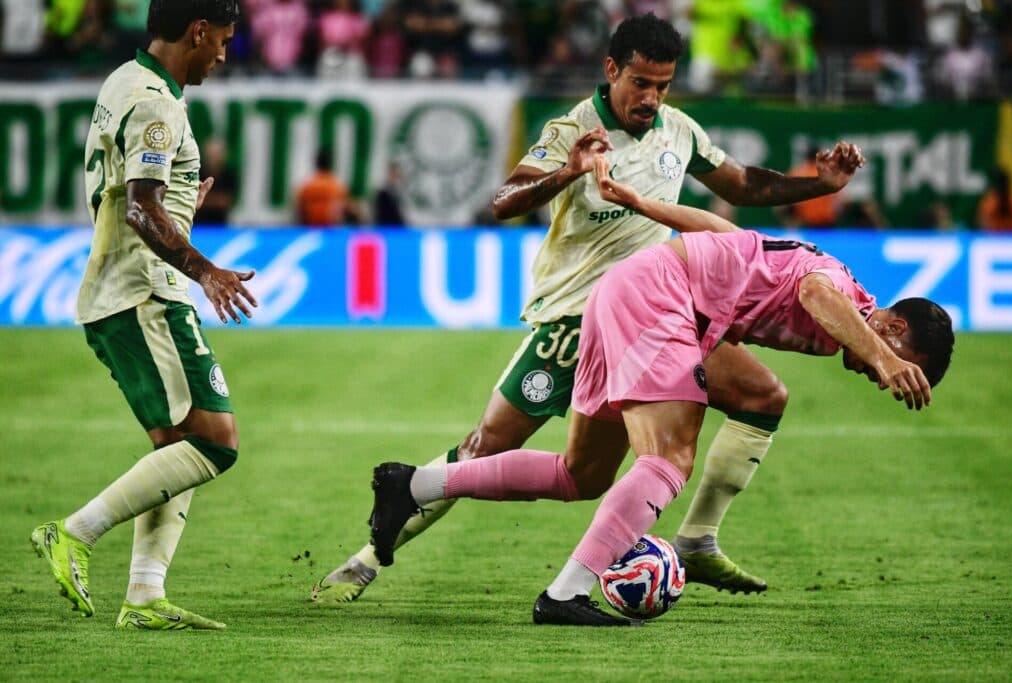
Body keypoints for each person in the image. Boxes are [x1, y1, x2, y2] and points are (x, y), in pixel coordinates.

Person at [313, 12, 864, 604]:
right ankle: (370, 554)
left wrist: (818, 184)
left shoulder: (679, 130)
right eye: (641, 83)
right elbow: (503, 201)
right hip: (574, 320)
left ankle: (697, 541)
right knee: (494, 448)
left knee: (761, 397)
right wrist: (568, 171)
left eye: (663, 85)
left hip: (661, 316)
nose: (651, 98)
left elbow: (744, 186)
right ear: (612, 70)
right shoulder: (571, 128)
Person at [367, 154, 955, 626]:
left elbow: (726, 232)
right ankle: (565, 593)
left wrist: (643, 203)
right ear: (893, 327)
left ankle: (413, 483)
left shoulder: (832, 304)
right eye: (902, 366)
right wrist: (883, 357)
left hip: (627, 295)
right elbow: (814, 298)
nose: (885, 378)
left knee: (585, 474)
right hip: (661, 299)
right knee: (670, 457)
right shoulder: (838, 293)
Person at [30, 0, 258, 631]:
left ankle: (144, 595)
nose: (222, 55)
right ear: (199, 30)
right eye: (223, 42)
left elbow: (137, 193)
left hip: (114, 292)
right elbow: (139, 208)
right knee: (216, 442)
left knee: (177, 446)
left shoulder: (122, 82)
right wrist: (207, 270)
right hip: (143, 294)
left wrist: (184, 198)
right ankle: (73, 532)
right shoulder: (157, 101)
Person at [296, 148, 354, 227]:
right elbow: (347, 209)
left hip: (310, 228)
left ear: (316, 164)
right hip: (331, 229)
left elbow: (300, 211)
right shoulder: (337, 186)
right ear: (331, 164)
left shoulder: (307, 186)